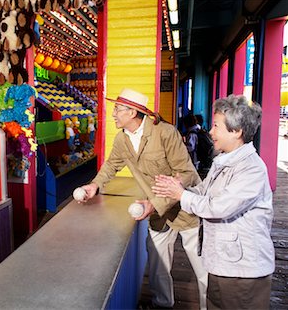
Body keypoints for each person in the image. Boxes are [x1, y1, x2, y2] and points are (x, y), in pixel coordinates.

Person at [78, 88, 208, 309]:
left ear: (132, 112)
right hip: (157, 212)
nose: (113, 114)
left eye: (118, 109)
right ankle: (162, 304)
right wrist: (94, 185)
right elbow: (111, 166)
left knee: (202, 266)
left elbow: (185, 174)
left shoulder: (165, 133)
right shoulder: (122, 139)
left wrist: (153, 203)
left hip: (186, 208)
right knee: (158, 264)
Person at [152, 94, 275, 309]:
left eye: (216, 126)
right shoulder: (223, 161)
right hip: (221, 263)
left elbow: (219, 207)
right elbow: (204, 191)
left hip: (243, 272)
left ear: (236, 132)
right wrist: (181, 189)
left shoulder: (251, 169)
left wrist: (181, 195)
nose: (210, 132)